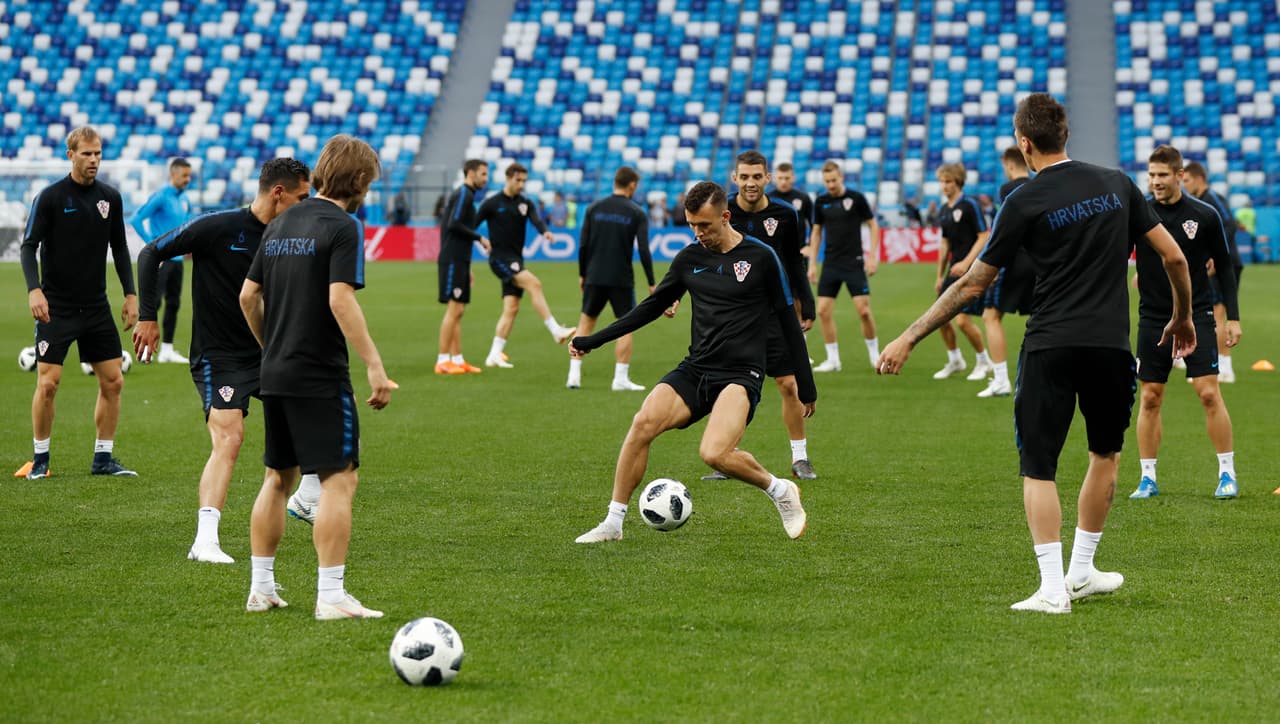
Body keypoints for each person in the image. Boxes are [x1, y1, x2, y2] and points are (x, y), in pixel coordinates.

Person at [877, 93, 1195, 614]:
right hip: (1112, 347)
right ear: (1065, 135)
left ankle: (1053, 588)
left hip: (1051, 344)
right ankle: (1082, 570)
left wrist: (909, 337)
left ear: (1025, 143)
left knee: (1039, 466)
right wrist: (1182, 317)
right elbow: (1175, 257)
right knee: (1105, 455)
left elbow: (973, 285)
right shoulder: (1118, 183)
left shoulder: (1023, 199)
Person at [572, 181, 815, 543]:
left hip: (741, 373)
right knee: (641, 425)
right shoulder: (689, 258)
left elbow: (787, 322)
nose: (698, 233)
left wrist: (806, 385)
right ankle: (613, 523)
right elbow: (652, 307)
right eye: (691, 225)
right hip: (697, 368)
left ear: (725, 216)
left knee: (714, 453)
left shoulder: (762, 257)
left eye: (705, 225)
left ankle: (779, 490)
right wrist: (595, 340)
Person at [238, 134, 397, 619]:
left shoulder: (281, 222)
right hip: (319, 374)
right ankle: (330, 595)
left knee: (276, 478)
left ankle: (260, 588)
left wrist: (273, 349)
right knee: (338, 480)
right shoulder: (344, 226)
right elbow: (339, 298)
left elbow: (248, 297)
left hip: (276, 371)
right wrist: (374, 364)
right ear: (362, 179)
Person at [133, 158, 314, 564]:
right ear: (278, 193)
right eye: (302, 197)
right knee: (230, 438)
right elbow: (150, 253)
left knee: (303, 428)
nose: (307, 205)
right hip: (221, 356)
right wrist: (148, 316)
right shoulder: (217, 227)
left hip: (272, 350)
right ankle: (205, 540)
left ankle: (304, 498)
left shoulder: (293, 235)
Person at [18, 126, 139, 480]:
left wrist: (131, 294)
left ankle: (103, 458)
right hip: (56, 306)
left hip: (96, 306)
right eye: (87, 154)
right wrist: (33, 289)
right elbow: (28, 247)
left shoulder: (110, 198)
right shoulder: (51, 197)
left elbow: (119, 247)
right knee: (49, 383)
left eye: (98, 153)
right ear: (70, 155)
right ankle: (40, 460)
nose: (94, 160)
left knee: (113, 381)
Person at [1131, 145, 1241, 500]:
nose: (1156, 181)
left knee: (1209, 392)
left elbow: (1224, 267)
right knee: (1150, 397)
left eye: (1163, 175)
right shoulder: (1139, 213)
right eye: (1151, 175)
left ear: (1180, 176)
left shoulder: (1204, 214)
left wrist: (1234, 318)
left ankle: (1227, 473)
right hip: (1152, 316)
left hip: (1198, 315)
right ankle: (1147, 478)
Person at [702, 150, 818, 481]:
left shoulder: (786, 215)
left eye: (757, 177)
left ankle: (800, 458)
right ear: (734, 179)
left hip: (774, 311)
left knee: (787, 383)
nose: (751, 183)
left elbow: (795, 263)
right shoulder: (723, 214)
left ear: (767, 178)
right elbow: (706, 258)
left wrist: (806, 303)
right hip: (734, 314)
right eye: (744, 177)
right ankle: (725, 456)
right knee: (731, 387)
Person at [475, 162, 577, 368]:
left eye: (524, 180)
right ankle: (556, 330)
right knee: (534, 284)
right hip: (499, 259)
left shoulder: (525, 203)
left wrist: (545, 232)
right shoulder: (491, 203)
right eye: (517, 180)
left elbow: (536, 220)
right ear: (508, 178)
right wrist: (480, 239)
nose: (521, 184)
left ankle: (494, 354)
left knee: (511, 308)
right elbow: (471, 225)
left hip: (516, 259)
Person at [567, 166, 654, 391]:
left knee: (586, 321)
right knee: (625, 326)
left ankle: (574, 375)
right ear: (632, 185)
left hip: (594, 275)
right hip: (620, 278)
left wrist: (582, 273)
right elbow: (644, 250)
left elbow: (583, 244)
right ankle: (620, 378)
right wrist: (652, 282)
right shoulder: (636, 212)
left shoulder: (594, 208)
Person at [806, 160, 880, 372]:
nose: (830, 184)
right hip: (830, 263)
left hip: (853, 263)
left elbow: (873, 225)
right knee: (822, 311)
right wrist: (812, 264)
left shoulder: (856, 199)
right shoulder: (821, 201)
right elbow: (817, 232)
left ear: (841, 178)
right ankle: (833, 360)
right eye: (827, 181)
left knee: (864, 311)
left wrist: (872, 256)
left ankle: (875, 355)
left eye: (834, 180)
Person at [977, 147, 1038, 398]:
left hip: (1015, 261)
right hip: (1040, 262)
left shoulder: (1007, 190)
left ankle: (1001, 379)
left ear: (1009, 165)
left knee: (990, 316)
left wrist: (992, 268)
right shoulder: (1039, 186)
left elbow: (1005, 231)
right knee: (1040, 318)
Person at [931, 163, 992, 382]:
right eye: (942, 182)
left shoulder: (969, 205)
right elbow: (945, 242)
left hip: (973, 270)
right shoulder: (945, 209)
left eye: (948, 181)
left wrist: (967, 263)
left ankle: (984, 361)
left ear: (958, 182)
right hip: (953, 269)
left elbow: (984, 235)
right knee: (939, 318)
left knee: (963, 321)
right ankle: (955, 359)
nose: (944, 186)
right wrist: (939, 275)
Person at [1182, 161, 1242, 383]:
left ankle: (1224, 367)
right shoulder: (1200, 202)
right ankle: (1214, 364)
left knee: (1216, 314)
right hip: (1214, 263)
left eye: (1186, 181)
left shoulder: (1213, 200)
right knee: (1209, 312)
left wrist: (1216, 255)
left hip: (1224, 264)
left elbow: (1230, 225)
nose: (1184, 185)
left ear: (1199, 179)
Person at [130, 157, 193, 363]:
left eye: (189, 175)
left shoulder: (184, 199)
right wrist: (153, 246)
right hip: (161, 261)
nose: (187, 179)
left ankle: (167, 350)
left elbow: (188, 225)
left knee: (174, 304)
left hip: (177, 261)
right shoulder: (161, 197)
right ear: (173, 174)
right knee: (153, 304)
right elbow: (136, 219)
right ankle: (144, 350)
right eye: (184, 175)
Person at [435, 159, 492, 375]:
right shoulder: (463, 194)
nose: (485, 179)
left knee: (458, 310)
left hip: (460, 260)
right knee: (454, 309)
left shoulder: (467, 196)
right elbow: (454, 224)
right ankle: (442, 360)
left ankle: (457, 360)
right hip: (452, 259)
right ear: (470, 173)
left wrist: (467, 267)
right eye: (483, 174)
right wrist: (480, 237)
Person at [769, 162, 814, 247]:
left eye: (787, 178)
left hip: (799, 251)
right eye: (780, 178)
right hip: (775, 252)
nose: (783, 182)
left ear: (793, 178)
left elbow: (814, 225)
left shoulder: (803, 198)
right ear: (775, 179)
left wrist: (809, 246)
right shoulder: (768, 199)